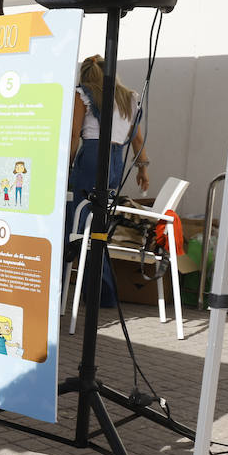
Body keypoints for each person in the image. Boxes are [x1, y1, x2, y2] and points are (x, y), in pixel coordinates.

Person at [66, 54, 148, 305]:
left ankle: (63, 284)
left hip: (91, 156)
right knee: (97, 226)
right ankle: (103, 293)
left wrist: (66, 166)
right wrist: (143, 169)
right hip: (115, 161)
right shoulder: (130, 98)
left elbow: (74, 134)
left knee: (75, 222)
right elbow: (136, 140)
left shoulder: (83, 94)